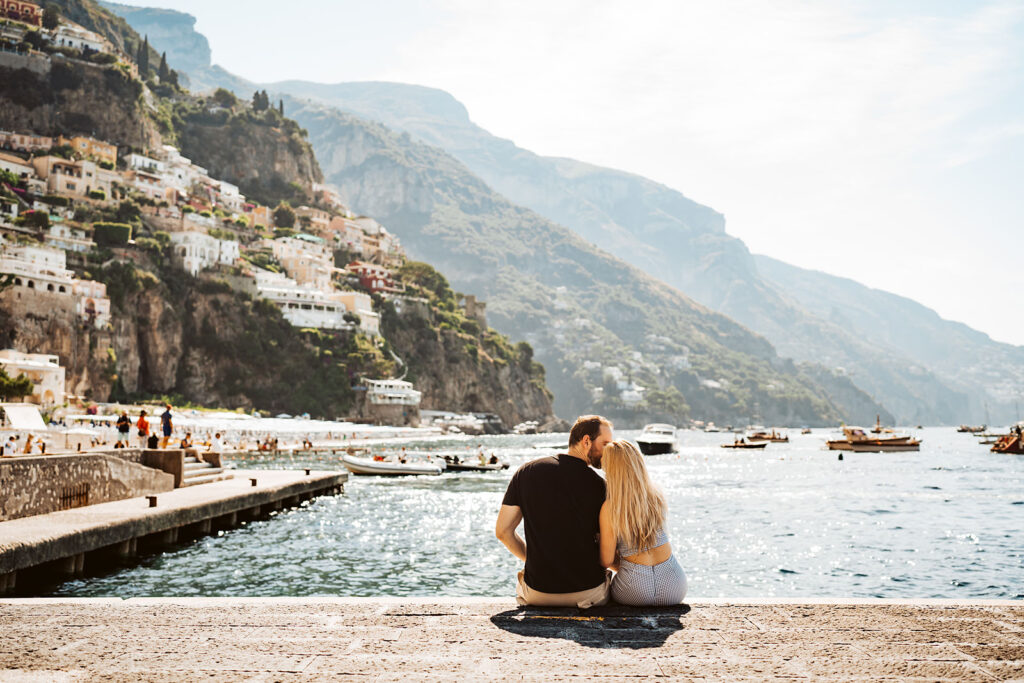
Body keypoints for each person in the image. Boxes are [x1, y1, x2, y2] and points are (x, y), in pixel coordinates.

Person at [495, 415, 614, 608]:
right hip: (588, 596)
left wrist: (539, 560)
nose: (610, 451)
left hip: (537, 594)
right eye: (606, 444)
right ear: (586, 441)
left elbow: (502, 532)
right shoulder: (600, 485)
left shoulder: (526, 472)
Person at [599, 440, 687, 606]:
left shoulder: (610, 507)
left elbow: (606, 560)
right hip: (675, 583)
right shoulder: (656, 495)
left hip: (633, 587)